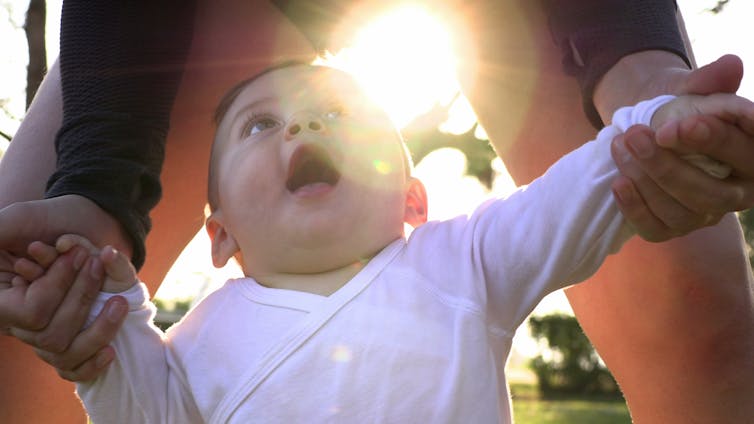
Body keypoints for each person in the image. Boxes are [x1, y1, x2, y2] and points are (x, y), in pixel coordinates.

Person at [2, 0, 753, 422]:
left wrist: (646, 107)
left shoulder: (461, 262)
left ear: (413, 200)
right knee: (19, 324)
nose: (303, 126)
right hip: (195, 15)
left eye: (340, 116)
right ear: (219, 233)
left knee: (701, 318)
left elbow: (574, 197)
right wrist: (95, 208)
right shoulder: (197, 344)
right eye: (264, 125)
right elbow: (136, 390)